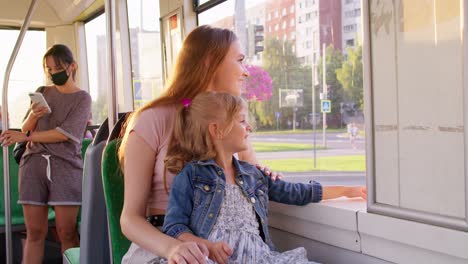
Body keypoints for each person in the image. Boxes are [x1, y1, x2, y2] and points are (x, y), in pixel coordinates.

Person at [119, 25, 281, 264]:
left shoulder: (233, 123)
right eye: (239, 60)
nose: (245, 72)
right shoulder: (152, 120)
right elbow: (130, 219)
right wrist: (173, 248)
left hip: (226, 249)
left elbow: (256, 178)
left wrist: (268, 176)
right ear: (209, 62)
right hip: (165, 245)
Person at [154, 92, 366, 264]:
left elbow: (298, 192)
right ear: (216, 130)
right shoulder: (191, 176)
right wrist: (205, 246)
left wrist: (348, 191)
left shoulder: (253, 175)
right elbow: (174, 226)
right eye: (242, 121)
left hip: (260, 258)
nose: (249, 128)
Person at [0, 44, 92, 263]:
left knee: (66, 232)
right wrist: (33, 115)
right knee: (34, 232)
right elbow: (25, 128)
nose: (52, 73)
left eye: (57, 67)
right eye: (49, 69)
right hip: (33, 165)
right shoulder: (42, 92)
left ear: (72, 67)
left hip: (65, 166)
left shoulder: (82, 98)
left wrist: (28, 138)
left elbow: (65, 134)